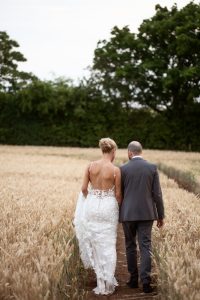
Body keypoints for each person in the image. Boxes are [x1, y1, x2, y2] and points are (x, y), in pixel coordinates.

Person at [74, 137, 122, 295]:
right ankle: (108, 282)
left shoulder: (90, 166)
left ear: (102, 150)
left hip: (92, 205)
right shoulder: (115, 170)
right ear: (113, 151)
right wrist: (117, 207)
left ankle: (100, 282)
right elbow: (118, 195)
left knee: (95, 243)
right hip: (108, 207)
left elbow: (83, 189)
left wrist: (92, 199)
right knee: (108, 244)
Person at [120, 141, 164, 293]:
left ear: (129, 153)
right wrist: (160, 215)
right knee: (145, 245)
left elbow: (120, 194)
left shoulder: (123, 168)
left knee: (130, 246)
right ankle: (146, 282)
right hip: (147, 214)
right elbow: (157, 194)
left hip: (128, 213)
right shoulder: (152, 168)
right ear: (141, 151)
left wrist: (120, 212)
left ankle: (133, 280)